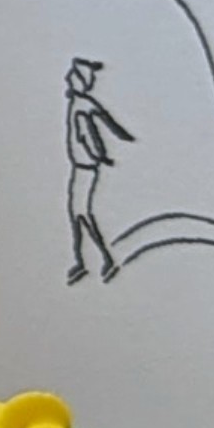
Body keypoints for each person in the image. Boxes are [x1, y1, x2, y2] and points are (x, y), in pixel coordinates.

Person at [64, 58, 133, 284]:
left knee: (81, 213)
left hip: (85, 167)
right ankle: (85, 261)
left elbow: (87, 135)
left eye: (73, 76)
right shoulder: (81, 104)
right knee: (77, 214)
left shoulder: (81, 106)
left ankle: (104, 259)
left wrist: (100, 156)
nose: (67, 78)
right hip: (81, 166)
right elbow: (106, 125)